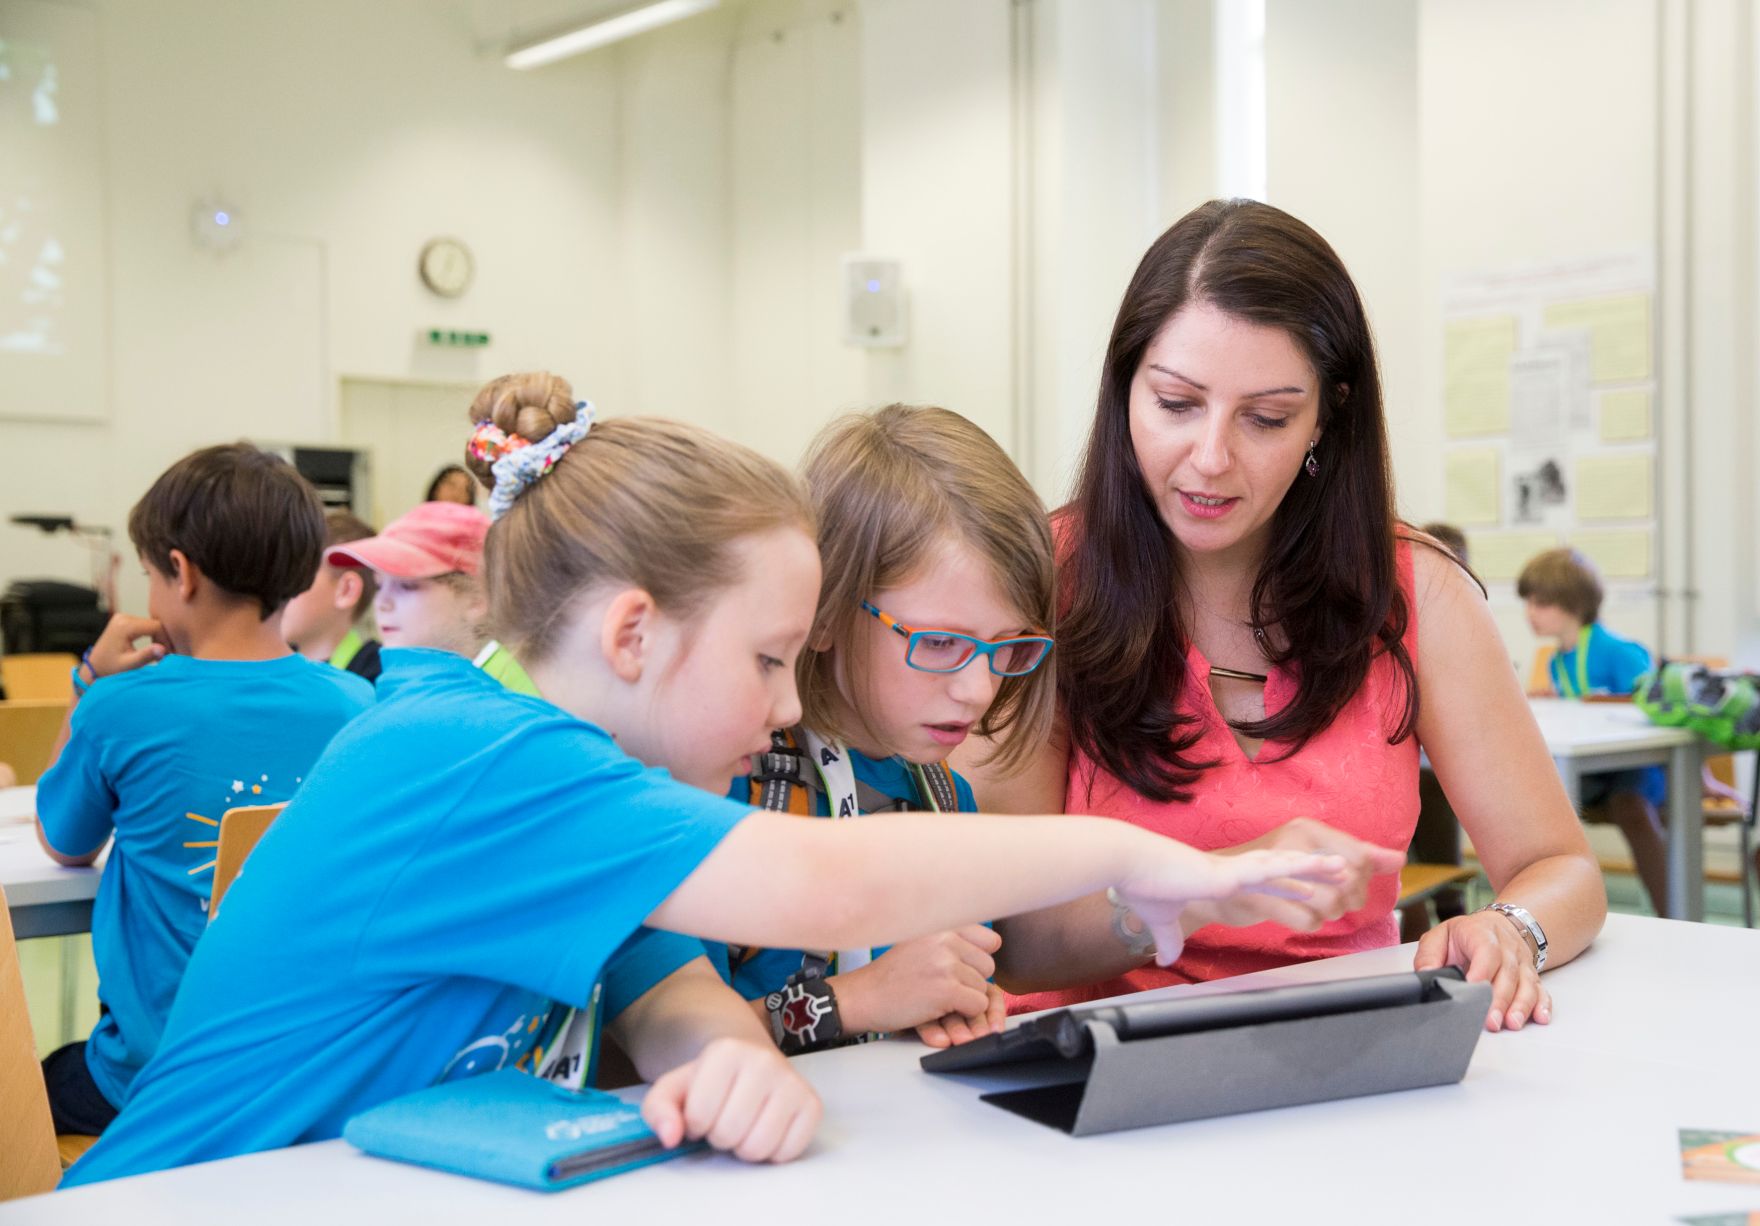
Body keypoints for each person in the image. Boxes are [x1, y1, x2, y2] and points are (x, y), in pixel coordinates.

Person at [61, 373, 1345, 1187]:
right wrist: (1131, 852)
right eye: (769, 657)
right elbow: (827, 885)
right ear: (632, 634)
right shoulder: (478, 753)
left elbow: (663, 984)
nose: (788, 702)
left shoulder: (559, 770)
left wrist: (731, 1050)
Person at [958, 200, 1606, 1035]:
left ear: (1326, 419)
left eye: (1265, 418)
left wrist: (1510, 928)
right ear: (1124, 390)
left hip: (1341, 1053)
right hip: (1094, 1066)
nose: (1211, 458)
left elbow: (1561, 868)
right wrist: (1198, 890)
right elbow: (1007, 939)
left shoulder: (1416, 591)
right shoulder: (1045, 584)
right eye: (1176, 403)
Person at [607, 404, 1059, 1053]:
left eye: (1008, 647)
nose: (979, 689)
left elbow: (925, 994)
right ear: (822, 612)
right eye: (937, 643)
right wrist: (856, 1000)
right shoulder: (721, 784)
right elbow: (652, 1044)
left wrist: (953, 999)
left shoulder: (946, 799)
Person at [34, 445, 373, 1135]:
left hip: (157, 1081)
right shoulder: (359, 705)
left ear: (180, 574)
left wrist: (92, 683)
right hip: (306, 1073)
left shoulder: (121, 707)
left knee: (28, 1095)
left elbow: (62, 843)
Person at [1518, 546, 1668, 912]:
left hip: (1635, 771)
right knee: (1531, 804)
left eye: (1540, 604)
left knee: (1631, 806)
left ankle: (1672, 908)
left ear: (1571, 602)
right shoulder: (1558, 661)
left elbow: (1663, 706)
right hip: (1595, 773)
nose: (1529, 614)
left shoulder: (1618, 651)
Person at [326, 500, 536, 692]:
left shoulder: (508, 691)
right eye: (379, 585)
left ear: (477, 599)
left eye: (407, 586)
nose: (382, 603)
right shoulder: (412, 681)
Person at [280, 510, 383, 682]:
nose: (277, 589)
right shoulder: (276, 669)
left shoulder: (378, 676)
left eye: (294, 575)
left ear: (346, 590)